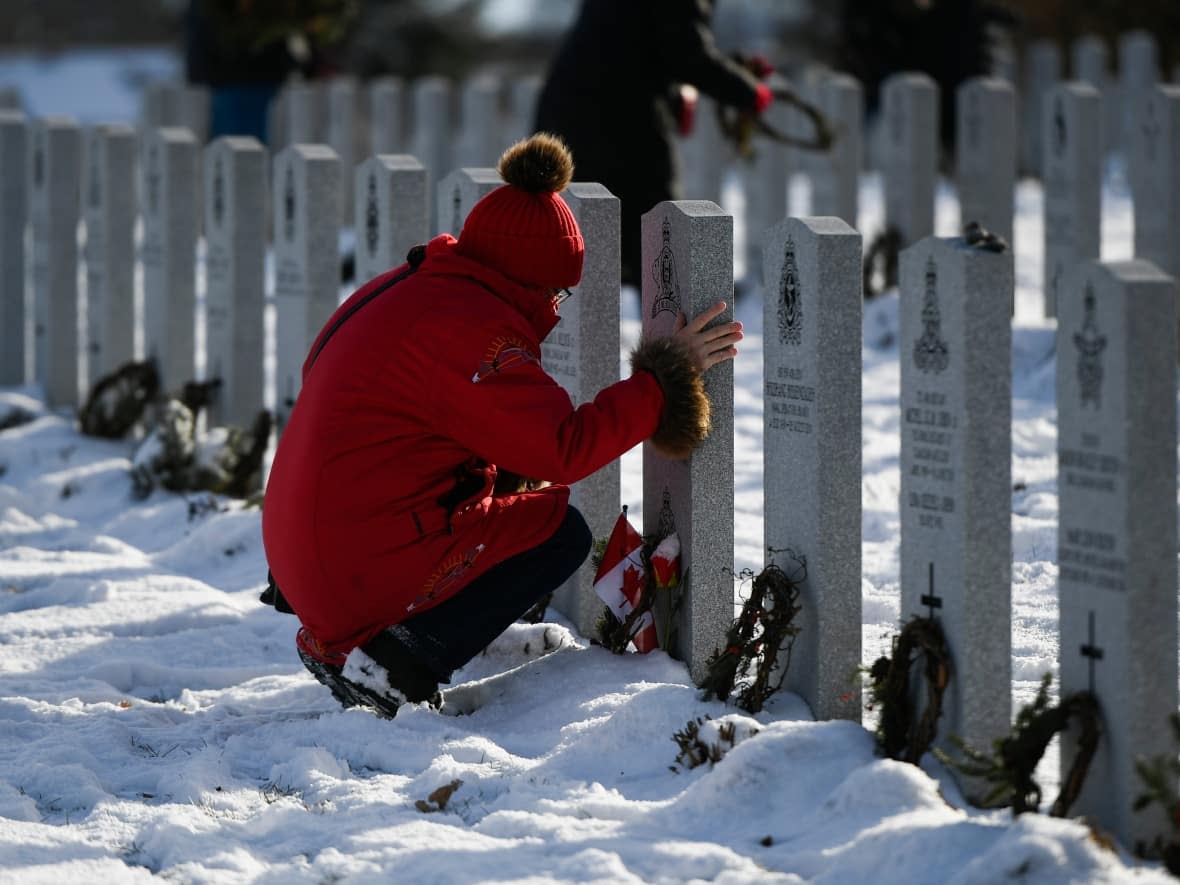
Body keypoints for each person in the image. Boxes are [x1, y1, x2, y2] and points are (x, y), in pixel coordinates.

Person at [261, 133, 743, 717]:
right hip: (350, 566)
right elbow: (563, 449)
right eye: (558, 292)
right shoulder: (473, 331)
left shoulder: (410, 286)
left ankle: (372, 641)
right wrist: (663, 379)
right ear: (531, 280)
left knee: (511, 490)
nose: (559, 309)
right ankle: (391, 666)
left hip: (310, 552)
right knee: (556, 532)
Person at [533, 0, 773, 288]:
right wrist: (749, 92)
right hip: (620, 121)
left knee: (596, 236)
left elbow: (635, 42)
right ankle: (659, 322)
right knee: (656, 229)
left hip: (577, 112)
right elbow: (685, 54)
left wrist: (692, 88)